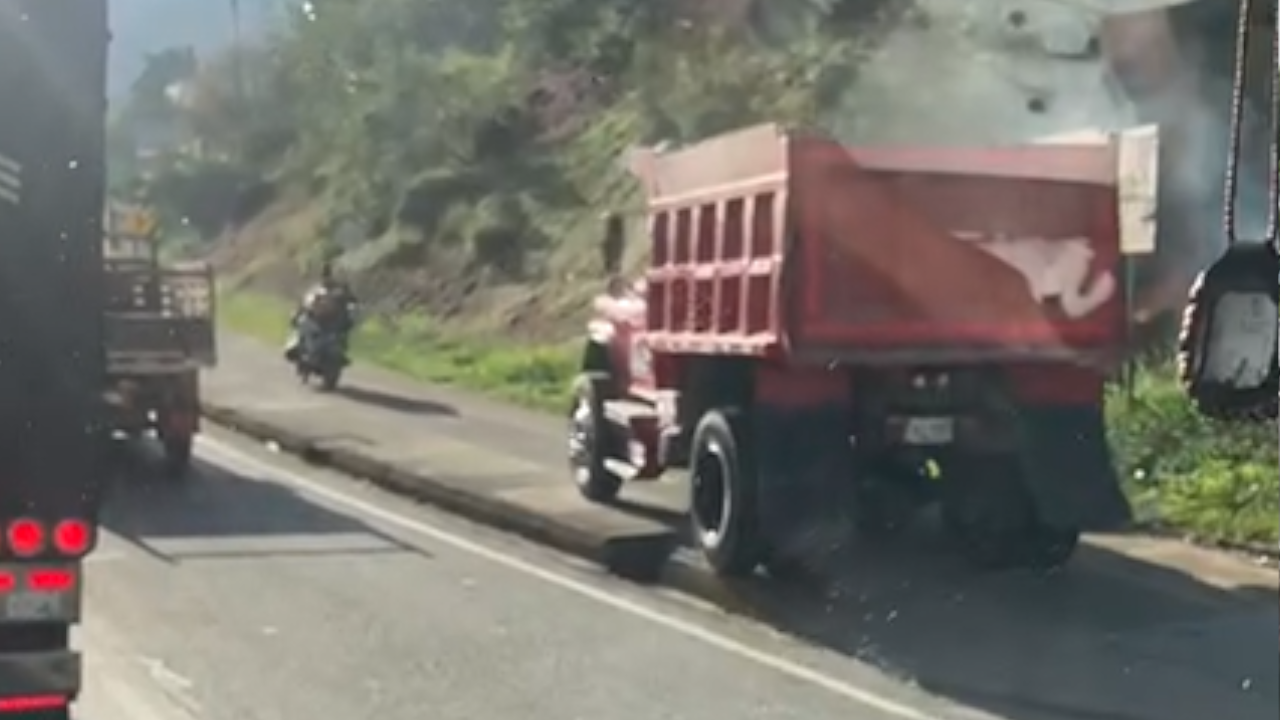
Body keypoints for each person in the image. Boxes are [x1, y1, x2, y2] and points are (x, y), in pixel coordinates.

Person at [284, 262, 358, 362]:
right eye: (329, 275)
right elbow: (306, 302)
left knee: (342, 333)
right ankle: (296, 345)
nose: (331, 278)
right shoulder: (319, 289)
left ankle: (339, 352)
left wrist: (349, 313)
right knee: (302, 323)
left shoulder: (342, 290)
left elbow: (352, 303)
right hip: (318, 320)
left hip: (334, 324)